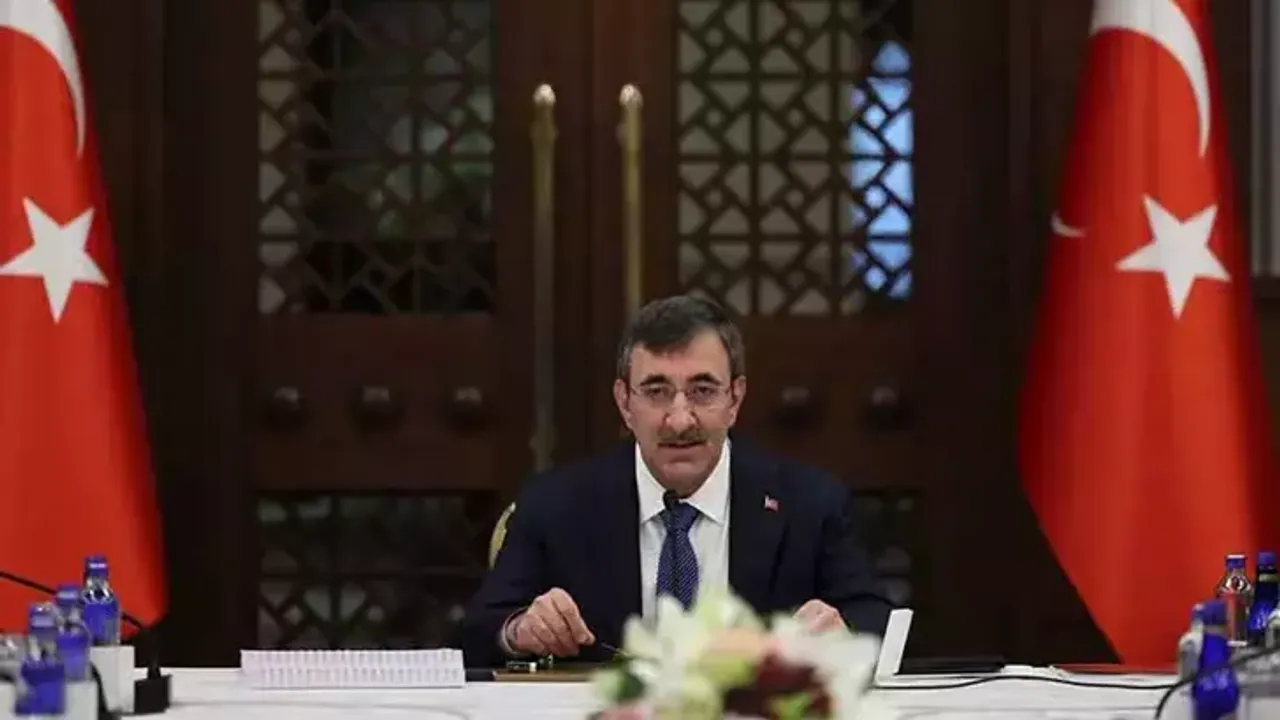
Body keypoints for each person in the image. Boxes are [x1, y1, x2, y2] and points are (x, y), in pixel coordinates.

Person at [458, 295, 890, 667]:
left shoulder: (809, 504)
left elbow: (876, 621)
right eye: (656, 391)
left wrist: (842, 631)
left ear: (735, 399)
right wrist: (520, 630)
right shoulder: (557, 505)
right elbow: (479, 631)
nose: (680, 420)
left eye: (703, 390)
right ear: (624, 403)